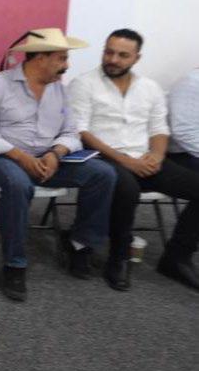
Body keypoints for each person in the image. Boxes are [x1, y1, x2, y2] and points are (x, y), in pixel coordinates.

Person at [0, 28, 116, 302]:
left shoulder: (59, 90)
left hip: (47, 159)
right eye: (61, 58)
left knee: (103, 174)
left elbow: (71, 132)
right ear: (40, 58)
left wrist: (56, 153)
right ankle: (14, 264)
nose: (67, 65)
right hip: (3, 157)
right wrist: (20, 156)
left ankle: (79, 244)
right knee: (18, 184)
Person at [69, 29, 199, 292]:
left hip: (145, 157)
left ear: (136, 58)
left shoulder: (149, 88)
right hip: (104, 157)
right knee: (127, 188)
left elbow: (159, 129)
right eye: (109, 52)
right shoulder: (84, 83)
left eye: (122, 55)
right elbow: (81, 131)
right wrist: (125, 161)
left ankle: (177, 257)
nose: (113, 60)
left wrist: (157, 156)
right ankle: (119, 257)